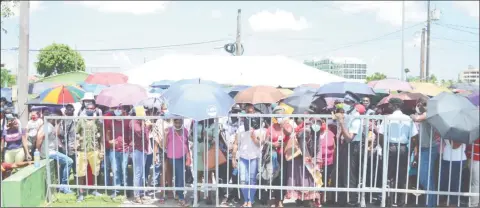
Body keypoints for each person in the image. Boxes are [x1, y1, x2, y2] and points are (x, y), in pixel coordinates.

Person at [378, 98, 418, 207]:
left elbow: (381, 135)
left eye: (390, 104)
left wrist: (384, 147)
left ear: (394, 105)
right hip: (403, 148)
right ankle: (401, 202)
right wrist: (409, 151)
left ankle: (389, 201)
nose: (389, 106)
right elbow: (414, 137)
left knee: (389, 175)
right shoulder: (408, 119)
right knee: (402, 175)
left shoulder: (388, 118)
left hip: (391, 147)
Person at [332, 93, 364, 207]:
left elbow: (350, 138)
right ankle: (342, 200)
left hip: (352, 146)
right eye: (344, 102)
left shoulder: (356, 117)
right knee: (341, 173)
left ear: (353, 104)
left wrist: (341, 122)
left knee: (350, 174)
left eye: (348, 102)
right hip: (344, 146)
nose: (345, 104)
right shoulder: (346, 115)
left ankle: (352, 201)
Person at [232, 108, 265, 208]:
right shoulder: (240, 128)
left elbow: (260, 144)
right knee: (243, 180)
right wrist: (234, 158)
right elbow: (236, 144)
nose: (250, 114)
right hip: (243, 157)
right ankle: (245, 200)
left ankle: (250, 201)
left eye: (252, 112)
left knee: (252, 180)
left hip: (254, 158)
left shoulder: (259, 129)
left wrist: (253, 136)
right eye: (248, 112)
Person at [36, 111, 74, 194]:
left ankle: (61, 185)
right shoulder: (47, 126)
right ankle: (63, 186)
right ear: (53, 119)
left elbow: (56, 134)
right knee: (69, 161)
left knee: (64, 163)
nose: (59, 121)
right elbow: (39, 137)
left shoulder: (51, 126)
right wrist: (37, 151)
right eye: (58, 119)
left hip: (51, 151)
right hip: (48, 152)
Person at [410, 97, 438, 207]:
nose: (421, 105)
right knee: (426, 177)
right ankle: (430, 202)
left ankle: (430, 204)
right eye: (420, 103)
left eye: (423, 104)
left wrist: (413, 115)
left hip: (429, 148)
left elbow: (416, 118)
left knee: (425, 177)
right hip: (424, 148)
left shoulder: (429, 114)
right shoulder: (425, 114)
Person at [75, 103, 104, 202]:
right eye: (88, 108)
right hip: (82, 150)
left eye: (92, 108)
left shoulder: (97, 122)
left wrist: (102, 149)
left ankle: (94, 190)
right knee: (80, 172)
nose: (90, 110)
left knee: (96, 170)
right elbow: (75, 133)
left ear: (95, 109)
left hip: (94, 149)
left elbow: (101, 136)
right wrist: (77, 141)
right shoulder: (81, 121)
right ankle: (80, 193)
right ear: (85, 109)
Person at [105, 105, 132, 199]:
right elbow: (108, 131)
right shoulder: (111, 120)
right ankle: (116, 190)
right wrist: (109, 141)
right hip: (114, 150)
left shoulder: (128, 121)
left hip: (125, 149)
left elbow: (131, 133)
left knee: (124, 170)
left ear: (124, 110)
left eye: (120, 108)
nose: (117, 110)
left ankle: (125, 189)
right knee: (115, 170)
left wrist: (129, 145)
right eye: (116, 108)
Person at [265, 106, 290, 207]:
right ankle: (275, 199)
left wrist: (283, 126)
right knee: (274, 178)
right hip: (274, 157)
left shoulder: (287, 126)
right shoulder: (271, 127)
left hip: (284, 156)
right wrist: (273, 144)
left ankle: (280, 200)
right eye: (277, 115)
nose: (279, 117)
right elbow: (266, 141)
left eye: (281, 115)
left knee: (283, 178)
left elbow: (290, 134)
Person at [165, 118, 190, 207]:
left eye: (180, 122)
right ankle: (181, 198)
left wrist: (188, 156)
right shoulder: (169, 130)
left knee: (179, 175)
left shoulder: (185, 130)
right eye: (176, 122)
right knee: (180, 176)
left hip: (183, 156)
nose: (178, 124)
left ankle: (178, 194)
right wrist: (165, 135)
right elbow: (164, 144)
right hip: (173, 156)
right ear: (173, 121)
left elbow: (186, 144)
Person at [130, 108, 150, 203]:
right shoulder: (134, 122)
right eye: (144, 112)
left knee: (141, 173)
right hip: (137, 149)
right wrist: (147, 127)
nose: (145, 113)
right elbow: (139, 132)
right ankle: (136, 195)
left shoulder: (141, 122)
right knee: (138, 172)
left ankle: (141, 193)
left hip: (143, 149)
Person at [439, 138, 466, 206]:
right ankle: (446, 201)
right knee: (444, 183)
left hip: (457, 159)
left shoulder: (462, 130)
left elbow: (455, 145)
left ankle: (453, 203)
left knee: (455, 184)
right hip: (446, 158)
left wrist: (450, 138)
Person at [468, 138, 479, 207]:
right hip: (474, 157)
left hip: (474, 157)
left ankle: (474, 204)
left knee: (475, 183)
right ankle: (474, 204)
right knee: (476, 183)